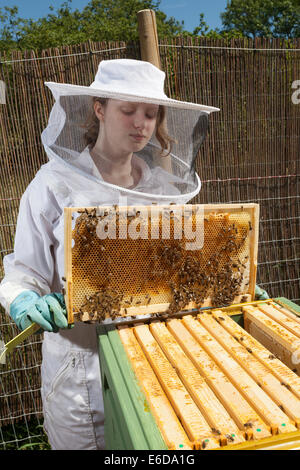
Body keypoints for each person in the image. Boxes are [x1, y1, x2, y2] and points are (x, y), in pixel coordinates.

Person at [0, 58, 219, 450]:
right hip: (80, 371)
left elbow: (179, 275)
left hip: (153, 363)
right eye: (128, 110)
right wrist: (25, 300)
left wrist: (223, 292)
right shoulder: (52, 185)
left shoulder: (160, 191)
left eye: (151, 114)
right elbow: (22, 272)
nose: (141, 123)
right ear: (99, 109)